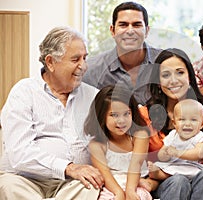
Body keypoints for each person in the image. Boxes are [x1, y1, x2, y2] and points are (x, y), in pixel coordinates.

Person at [0, 26, 103, 199]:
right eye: (75, 59)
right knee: (9, 186)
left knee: (91, 186)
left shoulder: (93, 96)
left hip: (73, 183)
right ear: (50, 62)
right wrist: (68, 167)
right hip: (26, 180)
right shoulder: (23, 92)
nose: (83, 66)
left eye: (85, 58)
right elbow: (19, 153)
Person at [146, 48, 203, 200]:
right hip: (167, 182)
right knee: (179, 181)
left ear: (190, 76)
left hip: (199, 178)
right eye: (166, 75)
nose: (174, 80)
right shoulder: (144, 115)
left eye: (180, 72)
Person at [83, 1, 161, 105]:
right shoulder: (91, 71)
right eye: (123, 25)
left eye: (136, 25)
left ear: (146, 31)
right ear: (112, 31)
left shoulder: (165, 63)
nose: (130, 31)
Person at [84, 85, 152, 200]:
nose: (121, 120)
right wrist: (119, 193)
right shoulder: (97, 145)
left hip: (136, 184)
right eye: (114, 115)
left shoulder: (139, 136)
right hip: (111, 187)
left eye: (126, 114)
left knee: (139, 197)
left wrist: (130, 191)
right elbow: (105, 173)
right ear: (101, 116)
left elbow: (135, 165)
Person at [148, 99, 203, 182]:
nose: (187, 124)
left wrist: (177, 153)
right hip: (175, 166)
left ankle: (160, 175)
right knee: (168, 170)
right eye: (182, 119)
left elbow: (198, 153)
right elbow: (162, 153)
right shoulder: (173, 135)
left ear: (202, 124)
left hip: (194, 167)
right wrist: (164, 154)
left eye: (193, 120)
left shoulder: (202, 137)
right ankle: (157, 174)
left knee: (200, 174)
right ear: (174, 123)